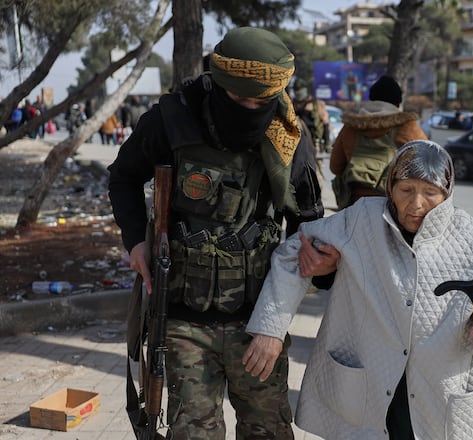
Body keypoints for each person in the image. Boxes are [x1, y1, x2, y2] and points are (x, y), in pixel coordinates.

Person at [243, 140, 473, 439]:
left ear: (448, 192)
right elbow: (293, 252)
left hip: (445, 394)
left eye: (430, 193)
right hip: (376, 385)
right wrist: (271, 329)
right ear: (390, 187)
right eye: (406, 190)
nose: (416, 205)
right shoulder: (363, 219)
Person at [108, 27, 324, 439]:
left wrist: (274, 326)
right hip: (182, 319)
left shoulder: (288, 135)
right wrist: (136, 240)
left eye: (260, 102)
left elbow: (308, 231)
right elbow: (123, 177)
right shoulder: (171, 120)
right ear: (219, 83)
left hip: (257, 323)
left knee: (268, 432)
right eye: (238, 98)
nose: (249, 108)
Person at [329, 75, 427, 208]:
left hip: (354, 205)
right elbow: (426, 165)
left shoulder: (351, 127)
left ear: (371, 99)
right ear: (398, 103)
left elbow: (335, 167)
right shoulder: (408, 127)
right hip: (393, 206)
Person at [293, 83, 330, 186]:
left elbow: (325, 124)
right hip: (296, 143)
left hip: (315, 144)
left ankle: (316, 196)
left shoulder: (316, 104)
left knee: (315, 171)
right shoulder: (292, 103)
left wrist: (327, 143)